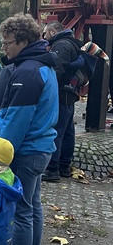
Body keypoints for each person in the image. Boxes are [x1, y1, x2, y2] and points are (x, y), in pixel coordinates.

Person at [0, 14, 58, 245]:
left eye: (8, 42)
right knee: (32, 207)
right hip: (40, 146)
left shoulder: (27, 72)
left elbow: (20, 120)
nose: (5, 48)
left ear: (22, 41)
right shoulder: (43, 66)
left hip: (27, 149)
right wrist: (4, 116)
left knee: (21, 210)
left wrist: (0, 152)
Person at [41, 21, 81, 181]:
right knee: (68, 131)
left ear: (52, 31)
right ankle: (64, 166)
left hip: (61, 94)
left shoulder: (61, 46)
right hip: (69, 94)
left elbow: (57, 70)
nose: (44, 37)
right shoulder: (71, 43)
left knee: (57, 131)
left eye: (45, 33)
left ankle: (53, 169)